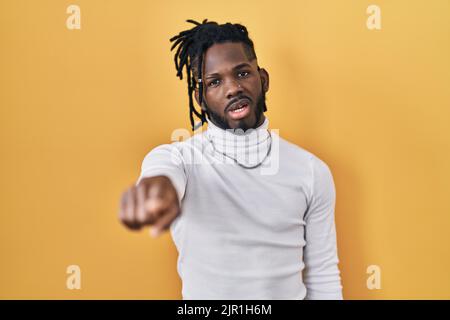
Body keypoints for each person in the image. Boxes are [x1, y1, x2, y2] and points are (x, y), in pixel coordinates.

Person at [118, 19, 343, 300]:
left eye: (242, 73)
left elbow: (322, 275)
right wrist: (158, 192)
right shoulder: (180, 159)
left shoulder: (311, 171)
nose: (232, 88)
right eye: (215, 82)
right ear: (200, 98)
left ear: (263, 79)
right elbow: (162, 174)